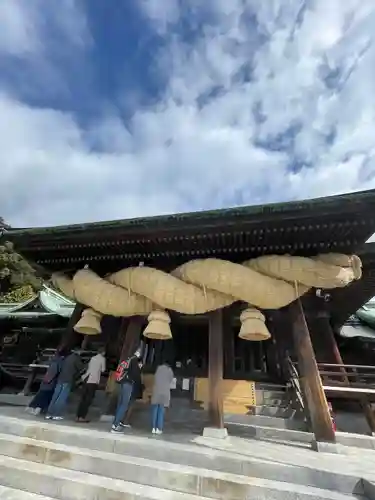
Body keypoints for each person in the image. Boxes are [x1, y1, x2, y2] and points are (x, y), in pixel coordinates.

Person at [45, 349, 83, 420]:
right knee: (62, 398)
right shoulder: (76, 358)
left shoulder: (66, 357)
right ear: (78, 352)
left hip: (60, 379)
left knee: (55, 397)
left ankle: (49, 414)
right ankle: (56, 414)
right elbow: (81, 368)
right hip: (68, 380)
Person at [111, 350, 142, 434]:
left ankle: (116, 422)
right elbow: (136, 376)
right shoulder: (135, 361)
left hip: (122, 383)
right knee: (124, 405)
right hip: (128, 384)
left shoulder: (128, 360)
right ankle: (115, 425)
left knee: (120, 404)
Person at [26, 348, 65, 416]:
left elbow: (51, 372)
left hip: (48, 382)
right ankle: (36, 408)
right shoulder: (59, 362)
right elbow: (53, 372)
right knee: (44, 396)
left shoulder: (55, 361)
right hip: (50, 383)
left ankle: (34, 407)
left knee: (42, 395)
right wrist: (48, 380)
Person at [76, 347, 106, 423]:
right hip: (93, 380)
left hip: (87, 379)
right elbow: (103, 370)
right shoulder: (102, 359)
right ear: (103, 352)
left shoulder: (92, 358)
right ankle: (82, 417)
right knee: (88, 400)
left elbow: (88, 367)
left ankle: (78, 415)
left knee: (83, 398)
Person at [151, 361, 174, 435]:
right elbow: (170, 380)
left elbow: (155, 378)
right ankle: (159, 428)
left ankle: (153, 428)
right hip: (164, 393)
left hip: (156, 391)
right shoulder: (169, 370)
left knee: (154, 410)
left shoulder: (158, 368)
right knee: (161, 411)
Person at [120, 358, 144, 428]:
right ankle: (125, 421)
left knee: (125, 405)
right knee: (129, 406)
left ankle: (121, 420)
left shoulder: (131, 370)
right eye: (141, 363)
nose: (141, 365)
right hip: (133, 391)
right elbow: (138, 383)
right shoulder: (137, 372)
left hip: (129, 390)